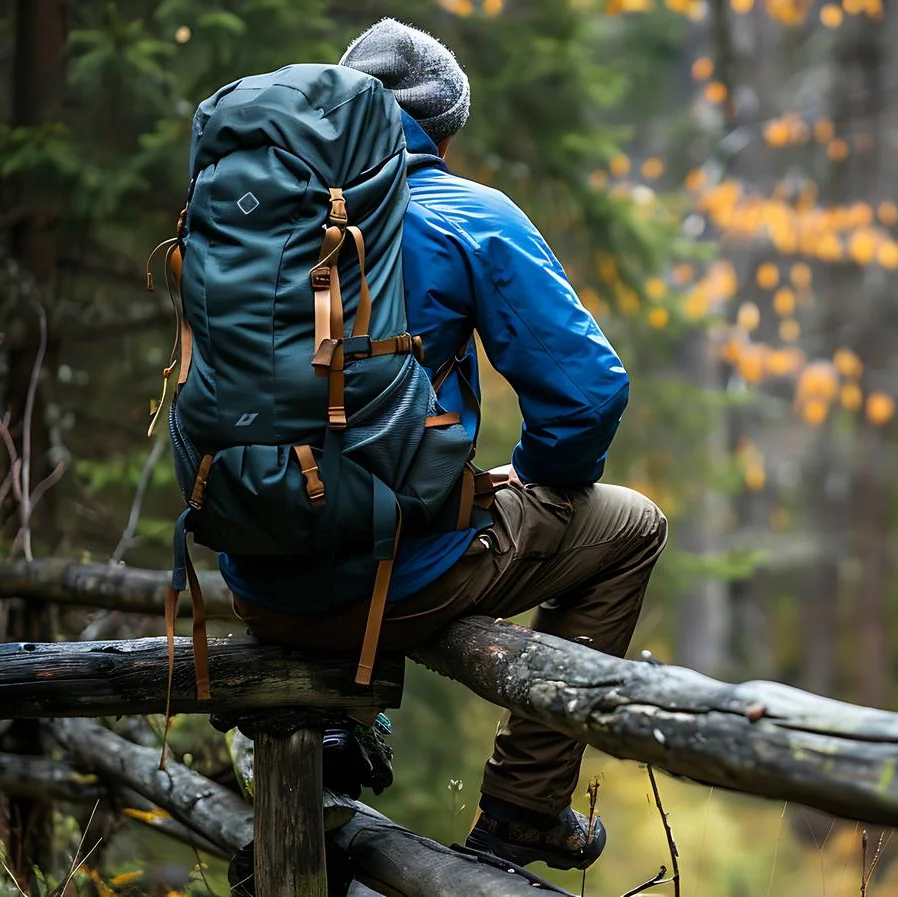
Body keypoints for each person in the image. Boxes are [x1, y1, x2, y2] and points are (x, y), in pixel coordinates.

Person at [220, 18, 668, 872]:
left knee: (354, 502)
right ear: (446, 128)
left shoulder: (257, 210)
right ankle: (525, 808)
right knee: (632, 526)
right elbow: (588, 394)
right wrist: (537, 482)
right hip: (393, 583)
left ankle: (334, 726)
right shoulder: (467, 212)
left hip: (255, 574)